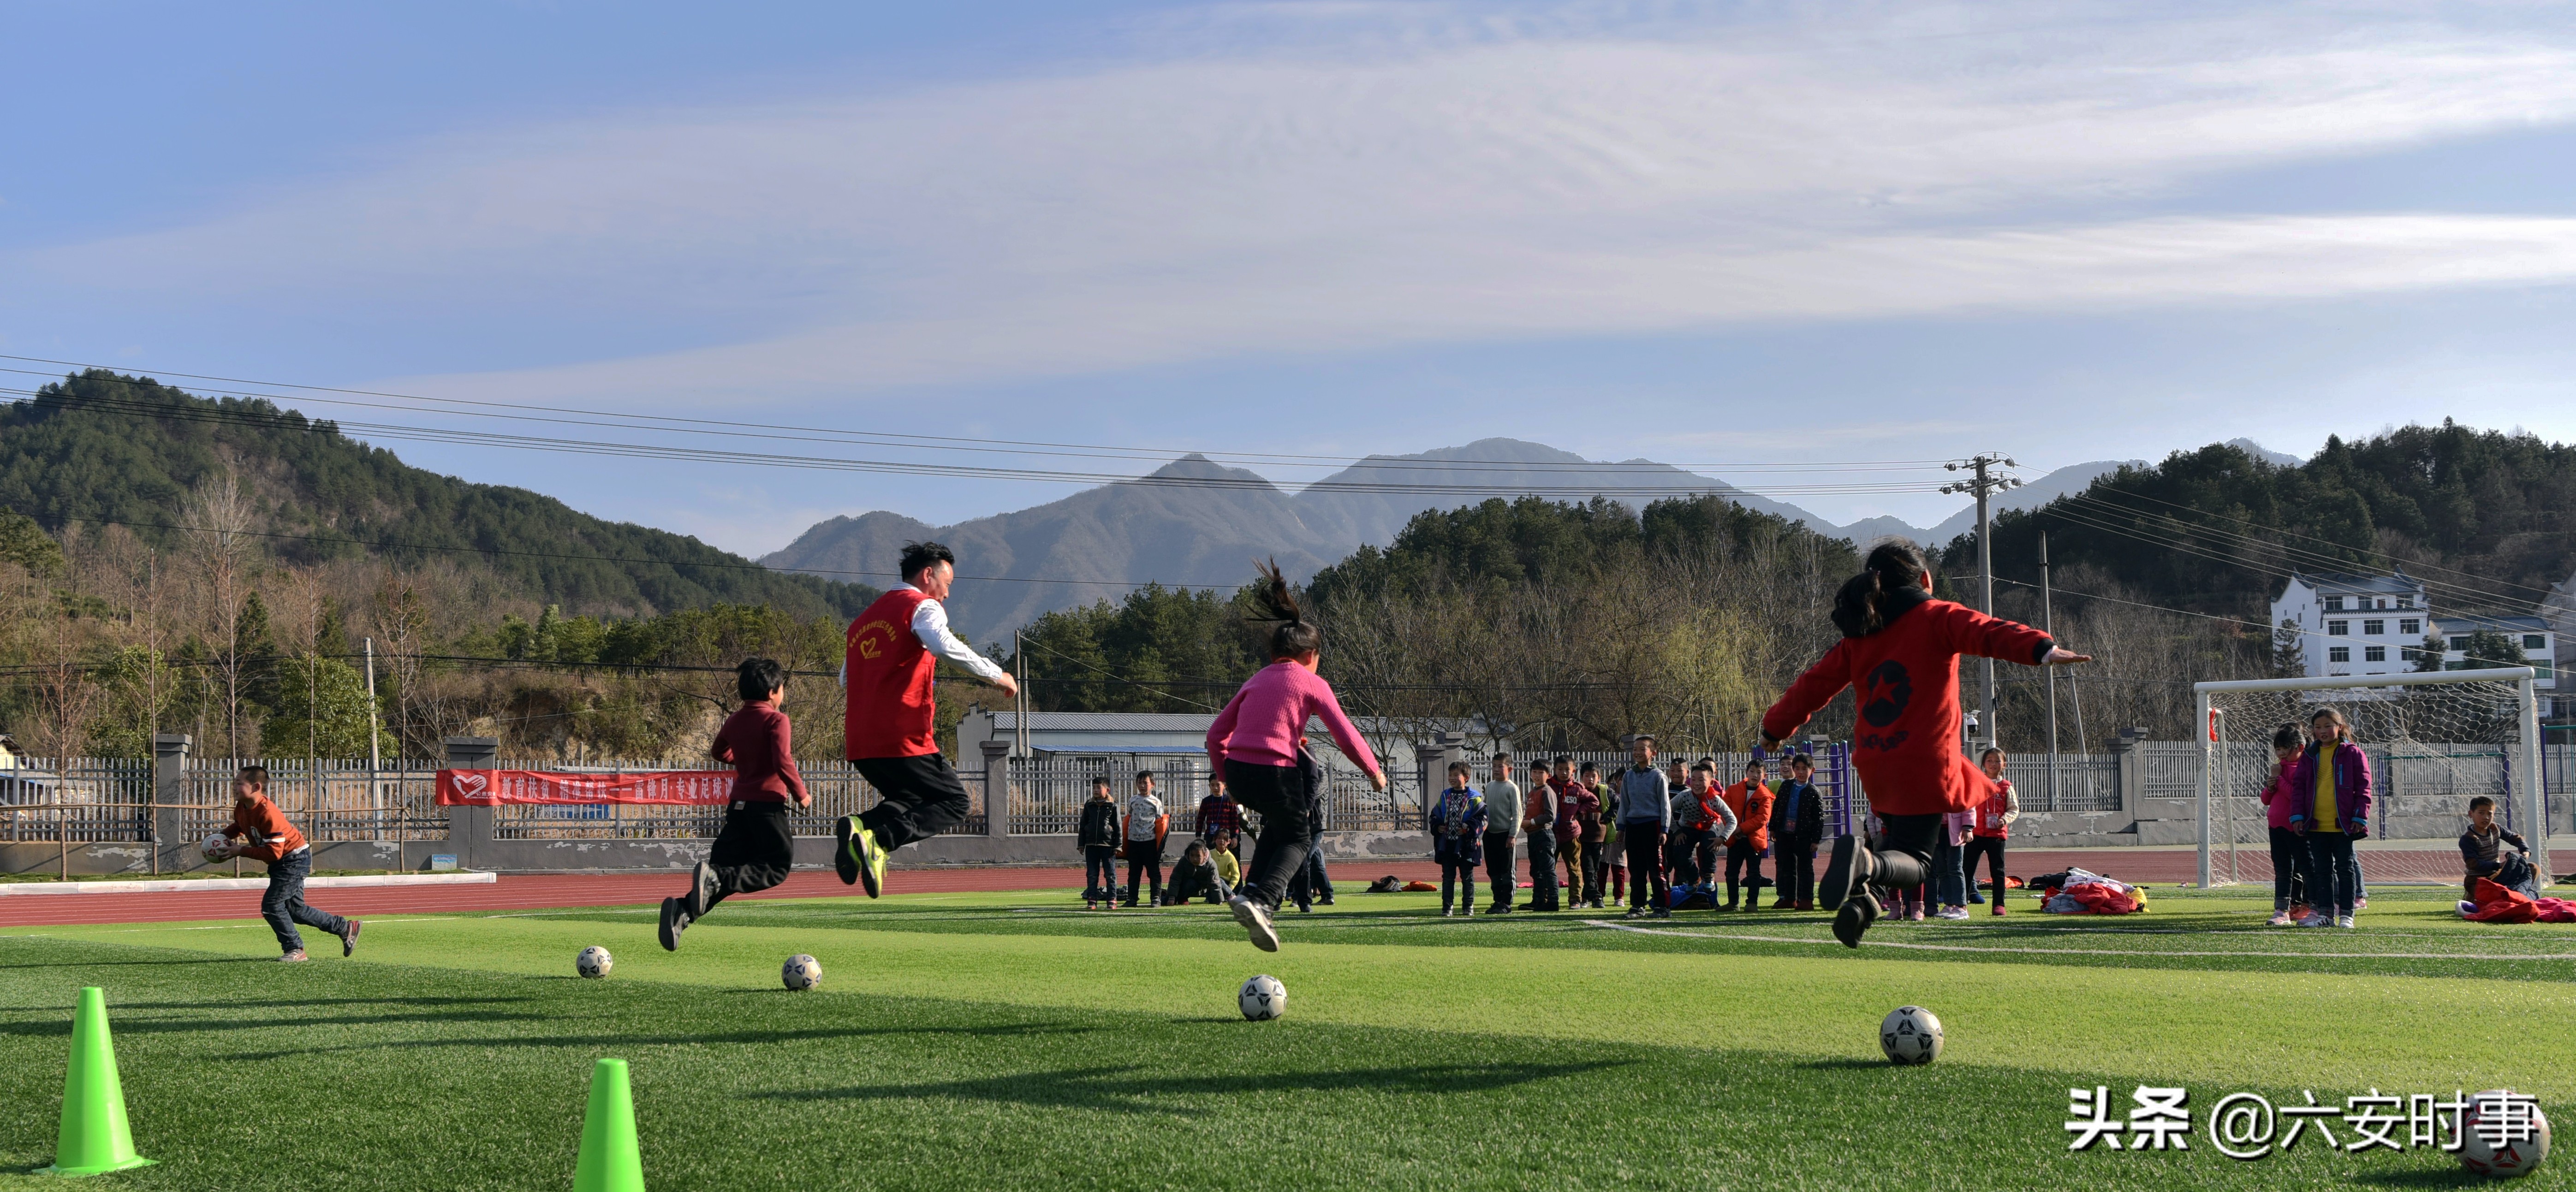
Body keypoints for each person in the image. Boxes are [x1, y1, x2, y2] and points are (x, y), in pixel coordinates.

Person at [1761, 540, 2091, 947]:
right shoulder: (1936, 616)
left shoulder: (1859, 635)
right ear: (1924, 579)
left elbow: (1812, 686)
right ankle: (1863, 862)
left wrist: (1774, 729)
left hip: (1876, 764)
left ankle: (1862, 906)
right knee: (1917, 861)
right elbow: (1990, 632)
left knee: (1895, 846)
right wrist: (2042, 647)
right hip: (1925, 761)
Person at [1205, 560, 1388, 952]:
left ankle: (1250, 891)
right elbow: (1344, 733)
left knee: (1281, 823)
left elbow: (1215, 734)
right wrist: (1373, 770)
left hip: (1238, 770)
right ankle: (1265, 899)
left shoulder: (1256, 679)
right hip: (1274, 771)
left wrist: (1229, 784)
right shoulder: (1312, 682)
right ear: (1310, 654)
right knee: (1300, 837)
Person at [836, 541, 1020, 896]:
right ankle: (880, 842)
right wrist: (997, 675)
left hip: (860, 743)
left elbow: (845, 677)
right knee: (954, 802)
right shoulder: (922, 607)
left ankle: (861, 825)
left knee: (909, 799)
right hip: (903, 735)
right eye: (947, 584)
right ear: (927, 575)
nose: (947, 594)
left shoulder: (861, 622)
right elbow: (942, 645)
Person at [662, 658, 813, 950]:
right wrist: (801, 794)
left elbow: (719, 752)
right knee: (776, 867)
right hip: (766, 806)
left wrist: (743, 761)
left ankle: (682, 912)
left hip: (739, 806)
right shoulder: (777, 720)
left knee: (722, 873)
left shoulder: (735, 719)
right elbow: (783, 761)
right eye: (783, 689)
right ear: (773, 691)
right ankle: (716, 878)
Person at [206, 765, 359, 962]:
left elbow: (274, 853)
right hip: (284, 862)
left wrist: (241, 851)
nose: (234, 787)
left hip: (293, 859)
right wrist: (221, 838)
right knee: (295, 910)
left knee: (272, 905)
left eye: (239, 783)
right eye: (234, 783)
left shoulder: (269, 814)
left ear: (256, 787)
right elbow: (240, 826)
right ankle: (346, 928)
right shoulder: (242, 806)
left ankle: (295, 949)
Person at [2287, 706, 2371, 929]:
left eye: (2327, 726)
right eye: (2318, 727)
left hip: (2343, 825)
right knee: (2321, 871)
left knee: (2345, 868)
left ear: (2339, 727)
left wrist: (2359, 816)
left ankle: (2346, 915)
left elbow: (2364, 788)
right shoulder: (2309, 755)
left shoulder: (2353, 753)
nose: (2322, 731)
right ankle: (2325, 915)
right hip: (2315, 825)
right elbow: (2299, 788)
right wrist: (2297, 816)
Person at [2255, 725, 2309, 926]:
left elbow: (2296, 796)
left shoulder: (2303, 769)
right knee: (2283, 870)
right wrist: (2271, 785)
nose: (2281, 753)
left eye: (2286, 748)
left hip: (2296, 827)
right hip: (2276, 827)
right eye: (2278, 749)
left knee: (2306, 868)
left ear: (2300, 748)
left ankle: (2310, 905)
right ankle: (2282, 910)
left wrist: (2279, 779)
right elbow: (2266, 799)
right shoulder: (2278, 768)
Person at [1612, 737, 1672, 919]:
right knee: (1636, 870)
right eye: (1635, 749)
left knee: (1657, 869)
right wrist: (1621, 827)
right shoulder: (1629, 776)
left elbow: (1665, 805)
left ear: (1653, 753)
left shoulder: (1658, 776)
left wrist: (1664, 829)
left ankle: (1662, 906)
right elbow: (1625, 804)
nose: (1637, 753)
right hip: (1633, 826)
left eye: (1642, 749)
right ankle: (1638, 906)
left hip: (1653, 826)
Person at [1962, 748, 2016, 918]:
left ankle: (1999, 905)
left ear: (2004, 765)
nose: (1993, 764)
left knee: (1998, 871)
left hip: (1996, 835)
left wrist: (2005, 820)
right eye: (1990, 761)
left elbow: (2013, 809)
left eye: (1997, 761)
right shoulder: (1975, 783)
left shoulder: (2006, 787)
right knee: (1966, 869)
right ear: (1984, 764)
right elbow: (1967, 804)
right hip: (1975, 834)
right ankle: (1961, 903)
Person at [1768, 753, 1826, 910]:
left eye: (1804, 769)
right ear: (1794, 770)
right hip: (1784, 833)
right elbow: (1778, 808)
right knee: (1787, 867)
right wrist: (1773, 828)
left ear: (1812, 770)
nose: (1801, 772)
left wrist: (1815, 840)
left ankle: (1807, 899)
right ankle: (1790, 899)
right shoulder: (1786, 786)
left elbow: (1819, 819)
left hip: (1804, 836)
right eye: (1798, 769)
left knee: (1805, 868)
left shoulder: (1814, 792)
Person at [1431, 762, 1487, 917]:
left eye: (1457, 775)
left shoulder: (1474, 799)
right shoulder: (1445, 796)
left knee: (1467, 877)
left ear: (1466, 778)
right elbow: (1434, 815)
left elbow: (1483, 818)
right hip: (1448, 845)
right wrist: (1437, 826)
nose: (1452, 778)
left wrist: (1468, 828)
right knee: (1448, 877)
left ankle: (1468, 906)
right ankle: (1447, 907)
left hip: (1467, 845)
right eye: (1450, 775)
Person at [2458, 795, 2536, 899]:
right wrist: (2499, 865)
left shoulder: (2496, 828)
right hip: (2477, 879)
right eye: (2481, 813)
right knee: (2493, 897)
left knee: (2532, 868)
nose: (2486, 817)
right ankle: (2473, 896)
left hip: (2498, 875)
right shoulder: (2468, 838)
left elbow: (2515, 838)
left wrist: (2525, 851)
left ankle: (2516, 895)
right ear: (2471, 814)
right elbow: (2474, 864)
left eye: (2489, 814)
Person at [1721, 760, 1771, 912]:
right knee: (1731, 872)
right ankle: (1733, 903)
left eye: (1759, 773)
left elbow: (1763, 818)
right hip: (1735, 839)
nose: (1755, 775)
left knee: (1754, 873)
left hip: (1753, 839)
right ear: (1746, 772)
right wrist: (1732, 829)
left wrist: (1741, 829)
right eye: (1752, 771)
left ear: (1765, 776)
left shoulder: (1765, 796)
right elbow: (1724, 811)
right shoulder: (1733, 790)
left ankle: (1752, 903)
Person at [1481, 754, 1523, 914]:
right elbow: (1484, 809)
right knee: (1493, 870)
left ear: (1509, 769)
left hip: (1505, 835)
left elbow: (1517, 814)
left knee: (1507, 871)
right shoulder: (1490, 785)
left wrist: (1512, 835)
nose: (1497, 770)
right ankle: (1497, 900)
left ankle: (1506, 902)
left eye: (1501, 767)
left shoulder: (1512, 788)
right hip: (1490, 835)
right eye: (1494, 766)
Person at [1122, 771, 1169, 908]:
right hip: (1134, 842)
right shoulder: (1133, 800)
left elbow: (1160, 824)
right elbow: (1129, 818)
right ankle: (1132, 899)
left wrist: (1160, 845)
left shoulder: (1156, 802)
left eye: (1145, 783)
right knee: (1134, 872)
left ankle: (1156, 898)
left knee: (1154, 872)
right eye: (1140, 783)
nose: (1142, 786)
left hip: (1150, 841)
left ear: (1152, 784)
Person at [1521, 757, 1560, 912]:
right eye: (1534, 772)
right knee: (1536, 870)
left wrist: (1530, 822)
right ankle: (1538, 900)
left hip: (1544, 834)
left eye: (1541, 772)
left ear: (1549, 775)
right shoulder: (1533, 792)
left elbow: (1551, 816)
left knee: (1548, 870)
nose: (1537, 775)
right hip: (1533, 835)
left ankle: (1553, 901)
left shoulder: (1546, 791)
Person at [1077, 776, 1122, 910]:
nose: (1096, 790)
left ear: (1107, 790)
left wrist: (1118, 845)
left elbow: (1118, 826)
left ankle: (1112, 900)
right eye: (1094, 787)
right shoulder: (1089, 805)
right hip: (1091, 845)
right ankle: (1092, 900)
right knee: (1092, 874)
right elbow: (1083, 824)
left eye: (1099, 787)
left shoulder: (1113, 805)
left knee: (1110, 874)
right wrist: (1081, 843)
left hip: (1107, 846)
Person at [1932, 805, 1974, 920]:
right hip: (1936, 831)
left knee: (1955, 869)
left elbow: (1969, 805)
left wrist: (1968, 827)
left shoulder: (1960, 787)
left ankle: (1961, 907)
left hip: (1956, 832)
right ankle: (1949, 905)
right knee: (1941, 870)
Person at [1165, 839, 1230, 904]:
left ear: (1205, 855)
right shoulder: (1184, 861)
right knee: (1165, 901)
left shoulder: (1211, 864)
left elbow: (1215, 883)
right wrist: (1172, 898)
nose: (1195, 859)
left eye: (1198, 856)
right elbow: (1175, 879)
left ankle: (1231, 896)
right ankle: (1182, 898)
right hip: (1188, 888)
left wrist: (1219, 901)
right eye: (1192, 855)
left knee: (1220, 881)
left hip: (1205, 890)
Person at [1196, 784, 1247, 865]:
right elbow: (1200, 819)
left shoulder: (1230, 801)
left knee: (1234, 864)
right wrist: (1198, 836)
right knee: (1211, 864)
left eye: (1218, 785)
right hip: (1212, 838)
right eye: (1213, 785)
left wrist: (1235, 837)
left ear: (1224, 786)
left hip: (1228, 839)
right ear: (1210, 786)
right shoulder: (1207, 801)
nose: (1215, 788)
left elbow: (1235, 820)